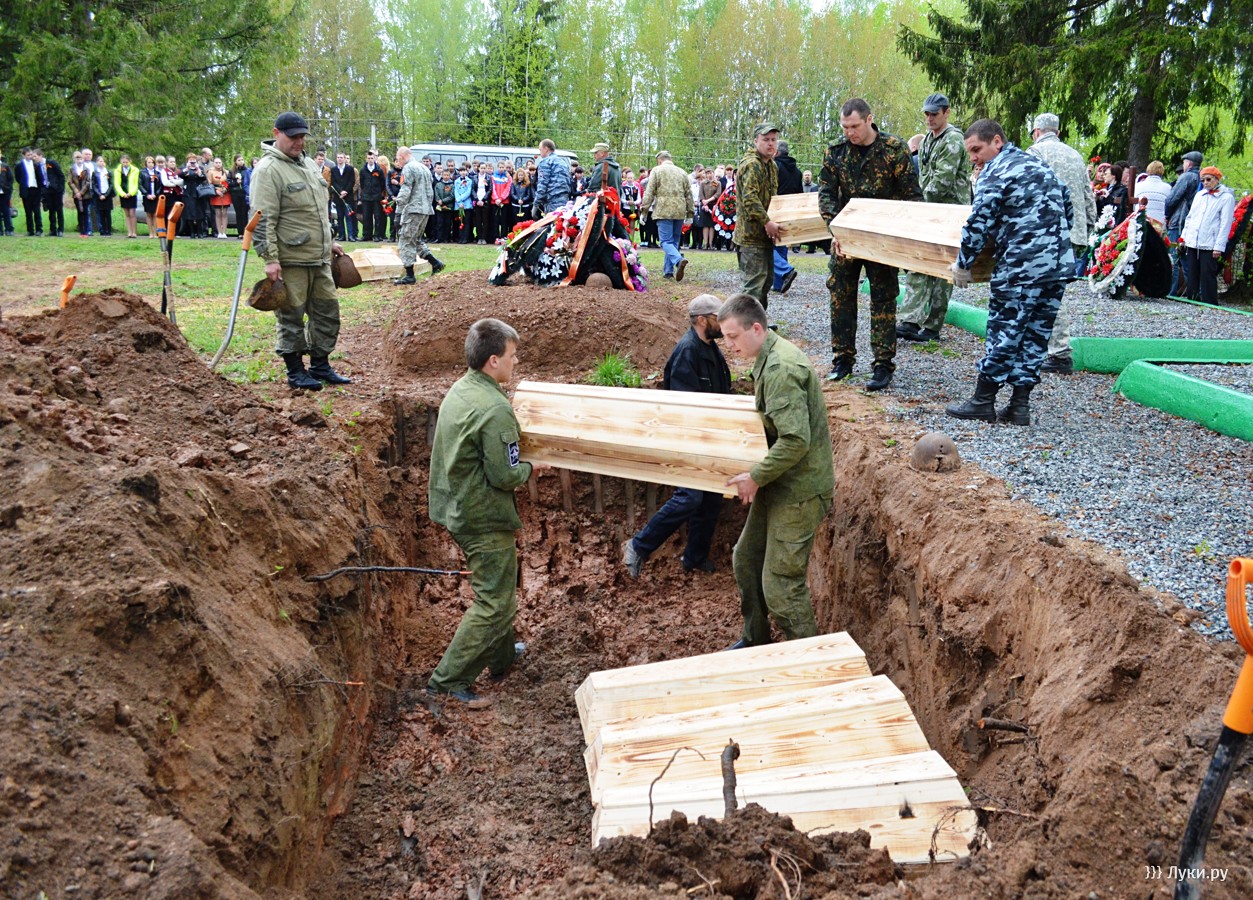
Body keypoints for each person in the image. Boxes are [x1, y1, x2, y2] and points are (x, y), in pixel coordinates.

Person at [426, 318, 549, 708]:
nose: (517, 361)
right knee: (495, 602)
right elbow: (505, 475)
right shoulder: (495, 409)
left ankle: (501, 657)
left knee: (499, 589)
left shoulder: (462, 389)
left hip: (456, 504)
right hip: (481, 515)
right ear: (493, 360)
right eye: (512, 355)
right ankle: (448, 681)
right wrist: (532, 467)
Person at [717, 293, 834, 647]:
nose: (728, 345)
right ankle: (756, 640)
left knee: (781, 586)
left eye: (733, 337)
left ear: (756, 328)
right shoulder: (767, 357)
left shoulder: (781, 369)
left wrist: (756, 476)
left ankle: (810, 661)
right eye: (725, 338)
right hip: (780, 480)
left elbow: (796, 441)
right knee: (746, 560)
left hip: (800, 491)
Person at [945, 119, 1074, 427]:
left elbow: (979, 221)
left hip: (1021, 266)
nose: (973, 158)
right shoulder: (1037, 165)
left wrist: (963, 264)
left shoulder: (996, 171)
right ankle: (1019, 406)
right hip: (1056, 266)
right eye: (969, 153)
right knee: (1035, 335)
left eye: (976, 150)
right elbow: (1067, 203)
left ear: (997, 142)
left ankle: (983, 400)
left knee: (1005, 331)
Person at [623, 294, 733, 578]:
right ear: (701, 320)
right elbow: (684, 409)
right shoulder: (687, 352)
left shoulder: (711, 349)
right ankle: (637, 546)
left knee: (711, 498)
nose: (723, 322)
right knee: (689, 497)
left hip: (709, 439)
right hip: (687, 439)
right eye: (717, 318)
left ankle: (694, 557)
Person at [818, 98, 922, 391]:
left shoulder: (893, 149)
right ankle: (842, 360)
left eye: (854, 126)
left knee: (884, 299)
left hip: (882, 238)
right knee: (840, 296)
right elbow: (826, 194)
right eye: (845, 127)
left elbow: (911, 195)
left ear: (869, 119)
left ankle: (882, 364)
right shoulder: (835, 151)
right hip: (846, 239)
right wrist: (834, 228)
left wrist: (904, 236)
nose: (849, 132)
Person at [250, 111, 351, 391]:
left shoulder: (308, 164)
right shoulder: (268, 170)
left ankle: (320, 365)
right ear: (276, 133)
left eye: (302, 136)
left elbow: (317, 210)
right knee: (291, 315)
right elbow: (262, 218)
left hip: (319, 257)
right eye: (293, 136)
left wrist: (329, 242)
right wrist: (270, 258)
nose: (299, 141)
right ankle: (295, 371)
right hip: (290, 259)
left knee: (327, 312)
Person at [1025, 112, 1096, 376]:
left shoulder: (1035, 152)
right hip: (1073, 231)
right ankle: (1050, 348)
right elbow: (1088, 194)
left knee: (1046, 291)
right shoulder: (1075, 155)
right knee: (1054, 289)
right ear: (1057, 132)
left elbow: (1029, 192)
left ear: (1036, 131)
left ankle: (1058, 352)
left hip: (1045, 230)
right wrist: (1089, 226)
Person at [897, 94, 971, 343]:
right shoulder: (928, 139)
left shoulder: (953, 140)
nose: (929, 118)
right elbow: (924, 177)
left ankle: (932, 326)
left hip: (950, 214)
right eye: (926, 114)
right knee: (918, 262)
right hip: (930, 211)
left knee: (943, 271)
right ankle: (910, 320)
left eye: (934, 114)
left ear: (946, 112)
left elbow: (942, 181)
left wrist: (916, 201)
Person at [734, 123, 781, 307]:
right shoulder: (752, 164)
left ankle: (758, 322)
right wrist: (767, 222)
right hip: (750, 236)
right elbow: (750, 199)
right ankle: (743, 323)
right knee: (753, 287)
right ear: (755, 141)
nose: (770, 143)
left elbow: (773, 200)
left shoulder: (771, 165)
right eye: (766, 139)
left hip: (764, 236)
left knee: (766, 282)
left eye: (773, 140)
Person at [1180, 166, 1235, 304]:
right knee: (1192, 271)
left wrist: (1219, 246)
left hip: (1210, 241)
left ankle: (1209, 302)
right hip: (1193, 239)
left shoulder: (1226, 197)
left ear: (1217, 179)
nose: (1205, 183)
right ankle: (1192, 298)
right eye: (1202, 180)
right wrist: (1184, 237)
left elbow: (1225, 224)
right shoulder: (1199, 195)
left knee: (1207, 273)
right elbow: (1190, 217)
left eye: (1208, 179)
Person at [392, 145, 444, 284]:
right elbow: (430, 191)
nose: (398, 162)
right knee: (416, 239)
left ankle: (410, 275)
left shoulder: (408, 168)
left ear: (402, 156)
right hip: (425, 209)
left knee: (405, 239)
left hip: (413, 209)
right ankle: (435, 263)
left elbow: (405, 190)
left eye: (398, 159)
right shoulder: (424, 168)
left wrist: (398, 212)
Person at [641, 149, 694, 281]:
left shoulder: (657, 171)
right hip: (679, 210)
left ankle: (678, 260)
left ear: (660, 160)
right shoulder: (682, 172)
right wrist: (690, 213)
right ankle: (668, 271)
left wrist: (644, 210)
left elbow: (649, 192)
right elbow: (689, 194)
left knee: (665, 241)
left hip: (663, 210)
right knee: (674, 241)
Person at [1165, 151, 1203, 296]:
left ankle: (1170, 292)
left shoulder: (1186, 177)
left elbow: (1172, 199)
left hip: (1179, 221)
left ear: (1188, 163)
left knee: (1173, 257)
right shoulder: (1202, 178)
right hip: (1194, 224)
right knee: (1188, 259)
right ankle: (1194, 293)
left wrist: (1167, 215)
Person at [770, 139, 802, 294]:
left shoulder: (774, 166)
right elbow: (800, 194)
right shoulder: (797, 171)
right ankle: (779, 284)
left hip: (774, 210)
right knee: (781, 245)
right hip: (790, 212)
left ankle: (785, 270)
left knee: (765, 245)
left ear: (776, 152)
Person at [532, 139, 571, 217]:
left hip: (552, 201)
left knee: (552, 223)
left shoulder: (545, 162)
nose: (539, 152)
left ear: (546, 149)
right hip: (564, 201)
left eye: (540, 149)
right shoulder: (563, 162)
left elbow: (542, 185)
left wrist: (536, 204)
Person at [358, 148, 386, 242]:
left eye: (372, 158)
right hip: (366, 197)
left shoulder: (379, 170)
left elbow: (382, 183)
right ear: (366, 159)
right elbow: (362, 183)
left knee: (377, 216)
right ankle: (367, 235)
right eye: (369, 158)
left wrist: (377, 192)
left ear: (375, 158)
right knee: (366, 216)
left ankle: (377, 235)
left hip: (376, 197)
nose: (370, 160)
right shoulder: (363, 170)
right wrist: (365, 191)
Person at [329, 152, 357, 242]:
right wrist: (340, 191)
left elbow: (352, 181)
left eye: (341, 157)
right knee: (340, 217)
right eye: (338, 157)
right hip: (338, 197)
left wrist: (346, 191)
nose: (340, 159)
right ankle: (342, 235)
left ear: (345, 159)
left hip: (348, 197)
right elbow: (333, 182)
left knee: (348, 217)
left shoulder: (350, 169)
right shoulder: (333, 170)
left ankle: (351, 235)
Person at [15, 148, 43, 236]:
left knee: (37, 210)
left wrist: (40, 187)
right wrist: (24, 184)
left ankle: (39, 230)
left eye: (31, 155)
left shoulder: (36, 164)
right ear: (23, 155)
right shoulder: (19, 165)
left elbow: (40, 177)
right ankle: (30, 230)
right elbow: (18, 178)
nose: (30, 156)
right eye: (28, 155)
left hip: (36, 189)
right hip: (26, 190)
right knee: (28, 211)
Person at [37, 150, 64, 237]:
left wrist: (61, 188)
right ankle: (53, 230)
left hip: (56, 190)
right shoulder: (37, 166)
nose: (34, 158)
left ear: (40, 155)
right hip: (47, 190)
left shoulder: (51, 163)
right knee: (51, 210)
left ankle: (60, 230)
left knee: (59, 210)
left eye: (35, 156)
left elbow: (61, 175)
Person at [114, 154, 140, 238]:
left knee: (132, 213)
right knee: (127, 214)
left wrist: (131, 193)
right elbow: (117, 184)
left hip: (132, 194)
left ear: (130, 161)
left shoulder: (135, 170)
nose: (125, 164)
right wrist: (122, 194)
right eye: (123, 162)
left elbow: (136, 183)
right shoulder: (117, 171)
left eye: (127, 162)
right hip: (123, 194)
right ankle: (129, 232)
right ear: (121, 162)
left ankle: (134, 232)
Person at [206, 157, 231, 238]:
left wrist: (225, 189)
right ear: (214, 163)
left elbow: (229, 182)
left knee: (224, 213)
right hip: (215, 193)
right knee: (218, 213)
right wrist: (216, 190)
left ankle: (224, 232)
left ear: (222, 163)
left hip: (225, 193)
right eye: (216, 162)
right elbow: (209, 184)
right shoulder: (210, 172)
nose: (218, 164)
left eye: (219, 162)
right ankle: (219, 232)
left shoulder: (226, 172)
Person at [229, 155, 250, 238]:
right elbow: (228, 183)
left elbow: (248, 181)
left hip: (244, 194)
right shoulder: (232, 171)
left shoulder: (247, 170)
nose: (241, 161)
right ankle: (240, 232)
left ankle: (246, 232)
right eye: (239, 160)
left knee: (245, 213)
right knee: (238, 213)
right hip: (235, 194)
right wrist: (236, 182)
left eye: (242, 160)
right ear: (235, 161)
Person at [93, 154, 114, 236]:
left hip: (107, 195)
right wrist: (99, 194)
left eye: (103, 161)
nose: (101, 163)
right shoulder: (95, 173)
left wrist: (106, 195)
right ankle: (103, 230)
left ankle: (109, 230)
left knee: (107, 213)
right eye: (100, 161)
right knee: (101, 213)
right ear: (97, 162)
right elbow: (94, 185)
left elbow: (111, 184)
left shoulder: (108, 172)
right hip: (99, 195)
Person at [140, 156, 160, 236]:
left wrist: (156, 194)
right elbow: (140, 185)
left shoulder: (157, 173)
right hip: (147, 196)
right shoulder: (142, 173)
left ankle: (155, 232)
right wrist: (146, 194)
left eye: (152, 162)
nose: (151, 164)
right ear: (146, 164)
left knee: (155, 214)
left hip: (155, 196)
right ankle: (150, 232)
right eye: (149, 162)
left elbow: (160, 186)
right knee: (148, 214)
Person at [0, 153, 13, 235]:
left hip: (5, 192)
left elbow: (11, 178)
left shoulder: (5, 166)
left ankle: (9, 230)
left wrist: (8, 188)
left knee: (6, 210)